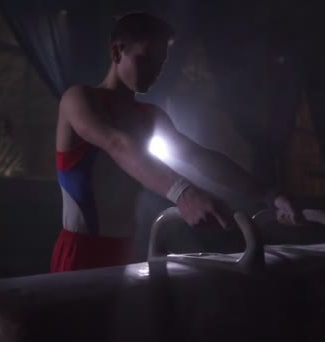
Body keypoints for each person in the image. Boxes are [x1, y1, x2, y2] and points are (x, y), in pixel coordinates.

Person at [51, 11, 297, 272]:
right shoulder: (78, 99)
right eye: (146, 59)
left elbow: (199, 157)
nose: (155, 71)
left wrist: (270, 194)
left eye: (161, 63)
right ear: (117, 51)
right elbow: (117, 144)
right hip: (79, 253)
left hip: (127, 252)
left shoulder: (150, 117)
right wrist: (182, 192)